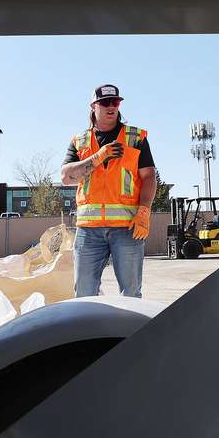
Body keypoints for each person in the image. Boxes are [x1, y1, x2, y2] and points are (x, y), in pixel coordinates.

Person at [59, 85, 157, 298]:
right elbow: (66, 177)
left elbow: (149, 176)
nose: (111, 106)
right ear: (94, 106)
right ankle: (88, 332)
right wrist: (97, 157)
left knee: (131, 294)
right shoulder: (80, 141)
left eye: (116, 102)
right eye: (105, 103)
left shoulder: (135, 138)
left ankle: (130, 332)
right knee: (84, 293)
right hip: (89, 231)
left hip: (128, 228)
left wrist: (144, 212)